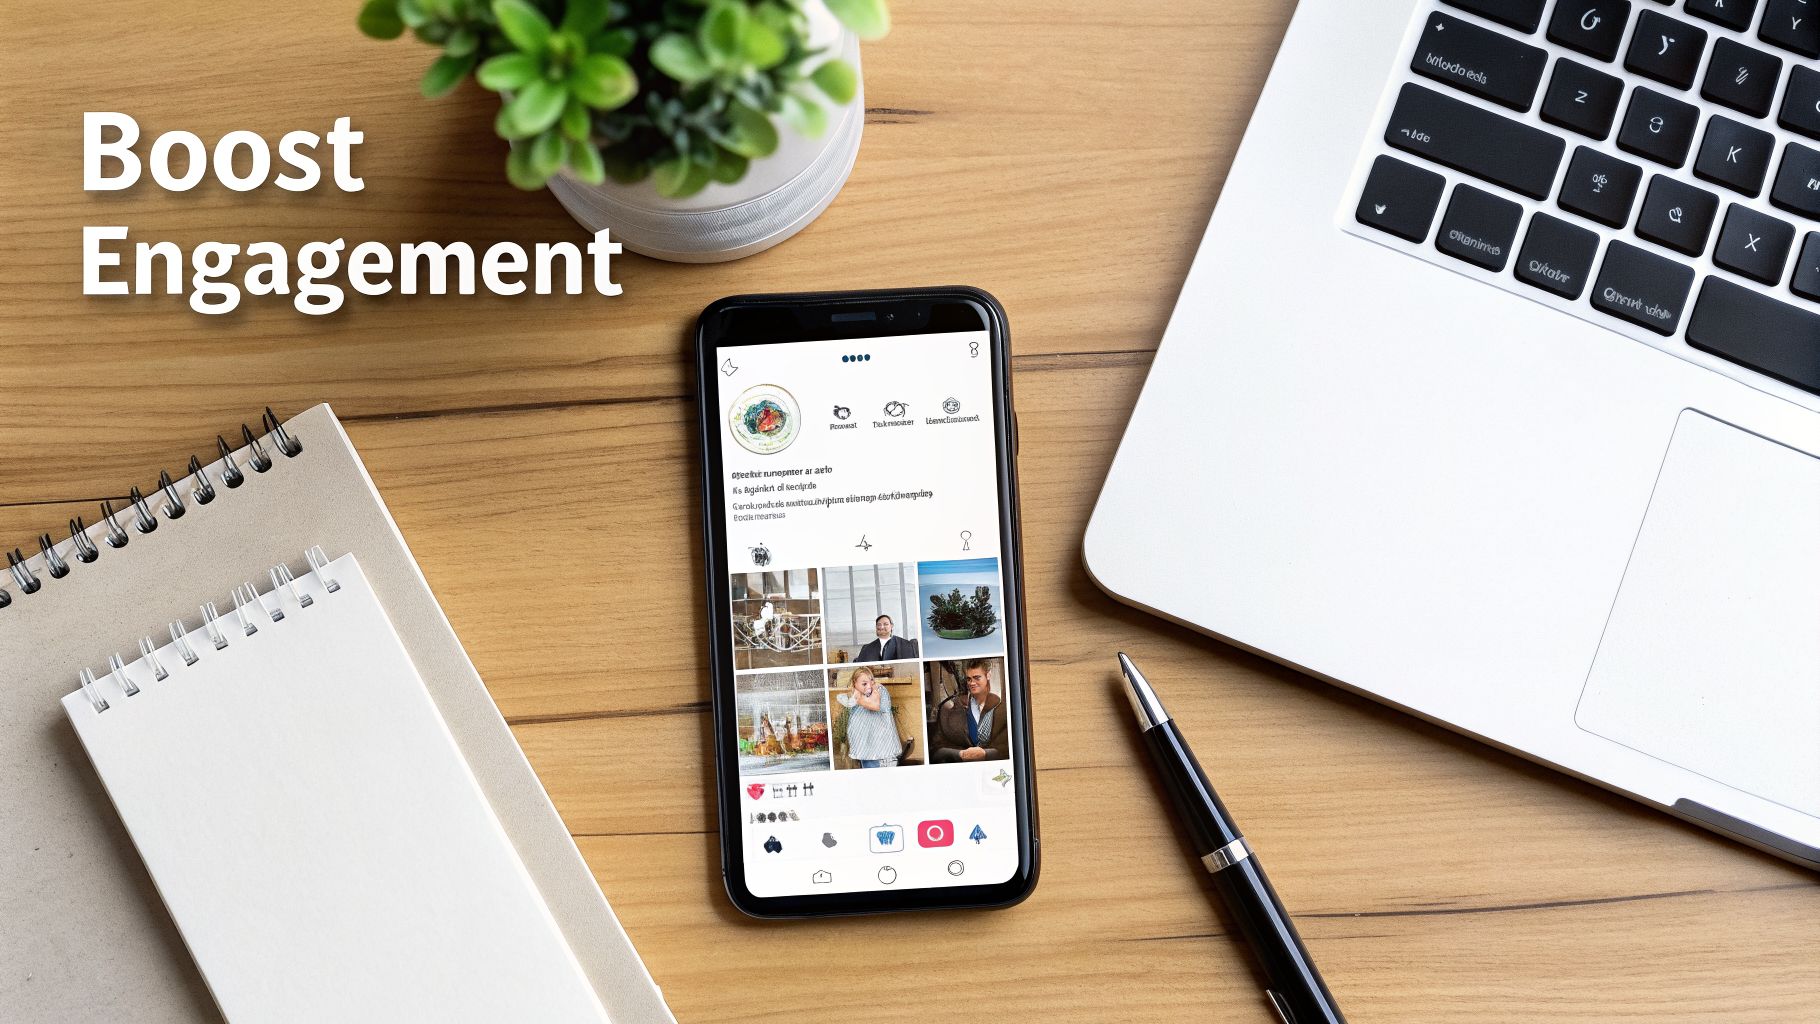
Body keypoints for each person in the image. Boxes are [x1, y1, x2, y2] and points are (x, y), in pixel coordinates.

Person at [931, 660, 1008, 763]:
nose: (972, 683)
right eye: (969, 679)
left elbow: (1010, 747)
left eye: (977, 678)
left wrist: (986, 754)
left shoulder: (1002, 709)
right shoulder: (948, 711)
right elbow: (935, 750)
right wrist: (960, 754)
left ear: (988, 675)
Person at [836, 667, 900, 768]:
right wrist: (856, 694)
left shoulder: (878, 690)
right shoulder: (857, 695)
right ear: (854, 683)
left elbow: (875, 705)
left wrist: (858, 697)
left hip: (880, 753)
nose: (869, 686)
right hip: (867, 752)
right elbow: (842, 699)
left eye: (872, 680)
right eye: (864, 684)